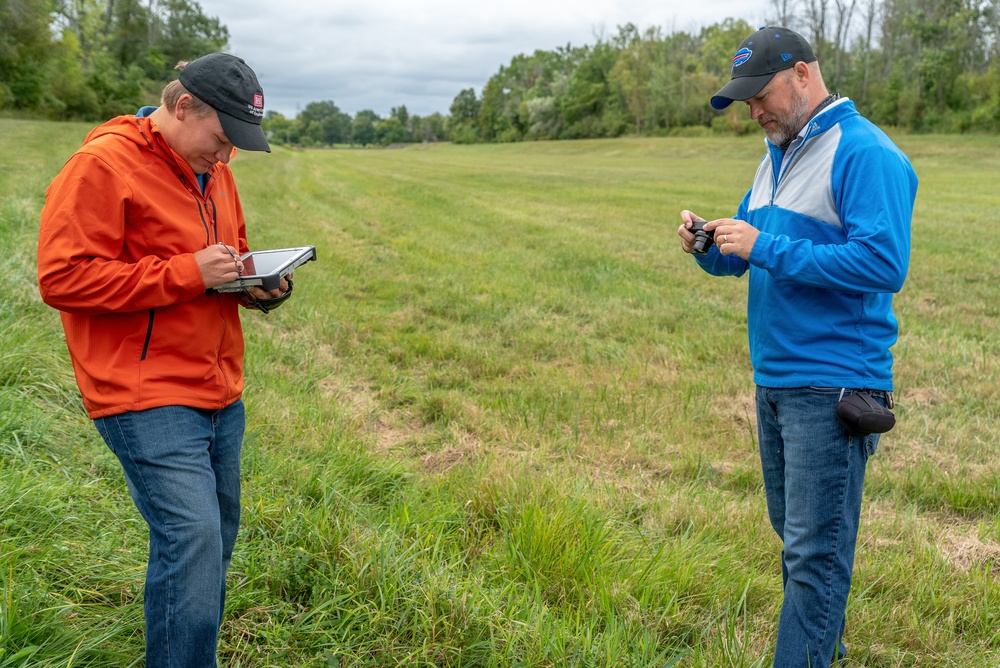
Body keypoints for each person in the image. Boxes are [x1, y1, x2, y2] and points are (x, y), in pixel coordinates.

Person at [37, 53, 292, 667]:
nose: (228, 157)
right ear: (183, 108)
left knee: (211, 542)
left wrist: (255, 282)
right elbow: (62, 279)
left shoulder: (214, 172)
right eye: (223, 139)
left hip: (217, 385)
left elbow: (224, 256)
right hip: (142, 390)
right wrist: (186, 273)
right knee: (193, 539)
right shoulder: (101, 165)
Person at [677, 27, 917, 668]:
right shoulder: (776, 154)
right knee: (802, 546)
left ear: (804, 75)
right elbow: (744, 253)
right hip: (776, 381)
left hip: (832, 383)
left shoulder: (864, 152)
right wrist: (709, 244)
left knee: (815, 555)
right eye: (745, 101)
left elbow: (883, 262)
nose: (754, 111)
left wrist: (764, 248)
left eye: (761, 95)